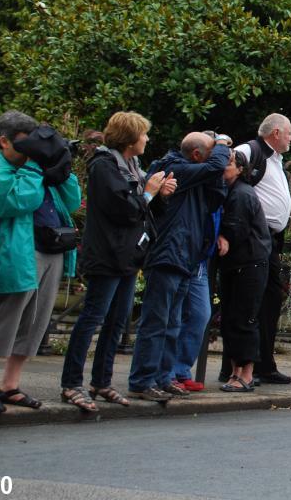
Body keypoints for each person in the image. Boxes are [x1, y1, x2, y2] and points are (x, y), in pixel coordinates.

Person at [60, 112, 176, 411]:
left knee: (117, 320)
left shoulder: (132, 165)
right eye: (143, 134)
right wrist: (149, 193)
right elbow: (123, 209)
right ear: (130, 137)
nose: (147, 139)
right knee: (92, 318)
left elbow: (141, 211)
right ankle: (72, 383)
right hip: (107, 254)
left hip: (128, 254)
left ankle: (102, 380)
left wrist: (158, 195)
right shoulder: (103, 165)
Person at [0, 112, 82, 414]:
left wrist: (62, 169)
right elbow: (13, 202)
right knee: (4, 321)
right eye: (26, 146)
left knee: (35, 324)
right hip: (16, 254)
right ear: (4, 141)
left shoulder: (36, 168)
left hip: (50, 250)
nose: (33, 152)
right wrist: (36, 166)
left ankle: (9, 385)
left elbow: (73, 201)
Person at [126, 132, 229, 402]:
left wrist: (213, 167)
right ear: (197, 155)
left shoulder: (195, 175)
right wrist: (220, 145)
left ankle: (163, 377)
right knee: (156, 321)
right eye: (211, 152)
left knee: (172, 323)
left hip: (186, 256)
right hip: (167, 254)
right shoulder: (173, 169)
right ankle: (142, 380)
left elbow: (217, 193)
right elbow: (216, 166)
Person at [230, 113, 291, 386]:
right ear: (276, 133)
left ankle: (264, 363)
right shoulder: (250, 150)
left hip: (269, 239)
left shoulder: (275, 160)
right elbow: (228, 168)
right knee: (249, 302)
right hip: (253, 237)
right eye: (289, 133)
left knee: (269, 300)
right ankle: (238, 367)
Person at [216, 150, 272, 392]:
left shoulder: (241, 194)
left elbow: (234, 230)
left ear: (240, 168)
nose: (223, 167)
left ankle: (245, 374)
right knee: (232, 318)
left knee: (244, 318)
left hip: (249, 264)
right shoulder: (232, 191)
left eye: (228, 163)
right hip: (240, 264)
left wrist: (222, 237)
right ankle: (234, 372)